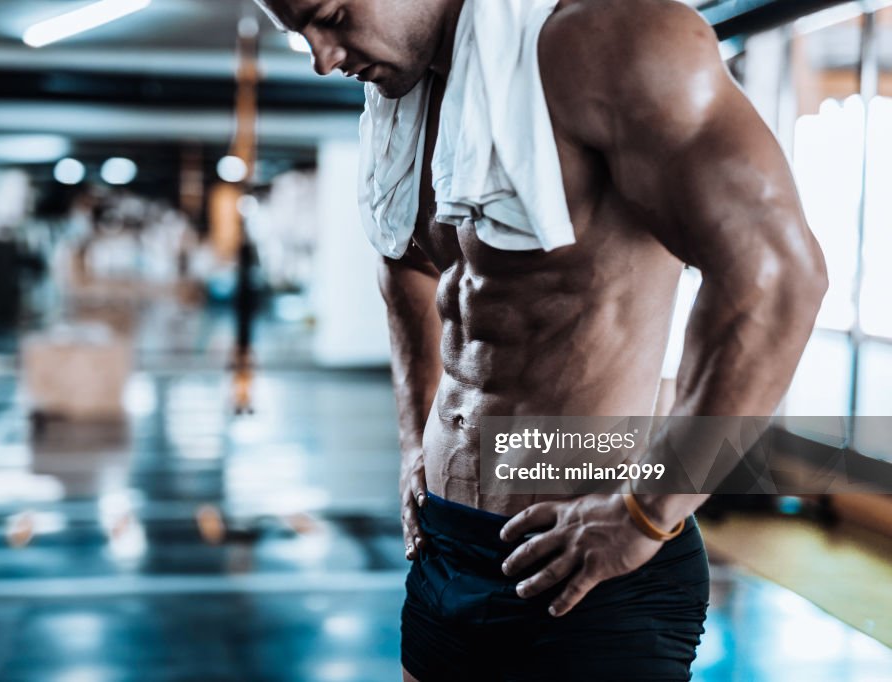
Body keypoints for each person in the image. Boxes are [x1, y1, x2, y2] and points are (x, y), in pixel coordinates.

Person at [256, 0, 828, 679]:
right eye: (301, 36)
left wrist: (649, 513)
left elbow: (779, 277)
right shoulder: (407, 95)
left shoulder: (612, 37)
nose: (323, 58)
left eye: (332, 15)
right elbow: (405, 260)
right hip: (446, 546)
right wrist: (417, 442)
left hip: (586, 568)